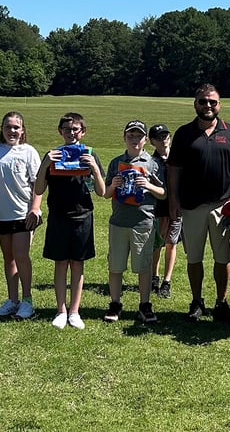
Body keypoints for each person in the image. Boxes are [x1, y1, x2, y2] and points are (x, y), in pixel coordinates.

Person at [168, 84, 230, 323]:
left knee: (223, 258)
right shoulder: (184, 133)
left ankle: (221, 303)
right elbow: (173, 170)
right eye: (203, 101)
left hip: (223, 206)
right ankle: (196, 301)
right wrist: (173, 200)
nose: (208, 106)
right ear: (195, 104)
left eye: (212, 102)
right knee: (194, 258)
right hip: (191, 206)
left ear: (219, 104)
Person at [34, 113, 106, 329]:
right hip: (58, 216)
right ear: (60, 131)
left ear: (83, 132)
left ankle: (74, 311)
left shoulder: (89, 154)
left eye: (76, 129)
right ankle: (60, 310)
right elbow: (38, 189)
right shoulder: (52, 155)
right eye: (67, 129)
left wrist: (93, 167)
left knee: (77, 263)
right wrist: (46, 164)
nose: (71, 133)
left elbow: (102, 192)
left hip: (82, 216)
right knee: (60, 263)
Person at [102, 120, 167, 323]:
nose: (134, 139)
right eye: (130, 135)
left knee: (143, 266)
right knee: (116, 265)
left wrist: (148, 185)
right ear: (124, 138)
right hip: (119, 221)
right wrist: (113, 184)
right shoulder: (116, 162)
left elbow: (164, 193)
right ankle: (115, 303)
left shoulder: (153, 163)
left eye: (138, 136)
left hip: (143, 222)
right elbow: (105, 193)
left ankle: (144, 304)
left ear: (145, 139)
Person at [0, 111, 43, 320]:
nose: (12, 131)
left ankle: (27, 302)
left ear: (23, 130)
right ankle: (12, 300)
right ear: (2, 129)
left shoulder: (29, 152)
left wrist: (35, 209)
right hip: (1, 214)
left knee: (21, 256)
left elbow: (38, 185)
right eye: (8, 127)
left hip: (24, 214)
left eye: (16, 127)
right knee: (8, 258)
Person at [149, 124, 181, 299]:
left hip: (176, 208)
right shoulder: (151, 161)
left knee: (171, 243)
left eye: (166, 135)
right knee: (157, 244)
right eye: (160, 137)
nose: (164, 139)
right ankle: (154, 276)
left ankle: (166, 282)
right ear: (153, 141)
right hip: (158, 209)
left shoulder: (177, 158)